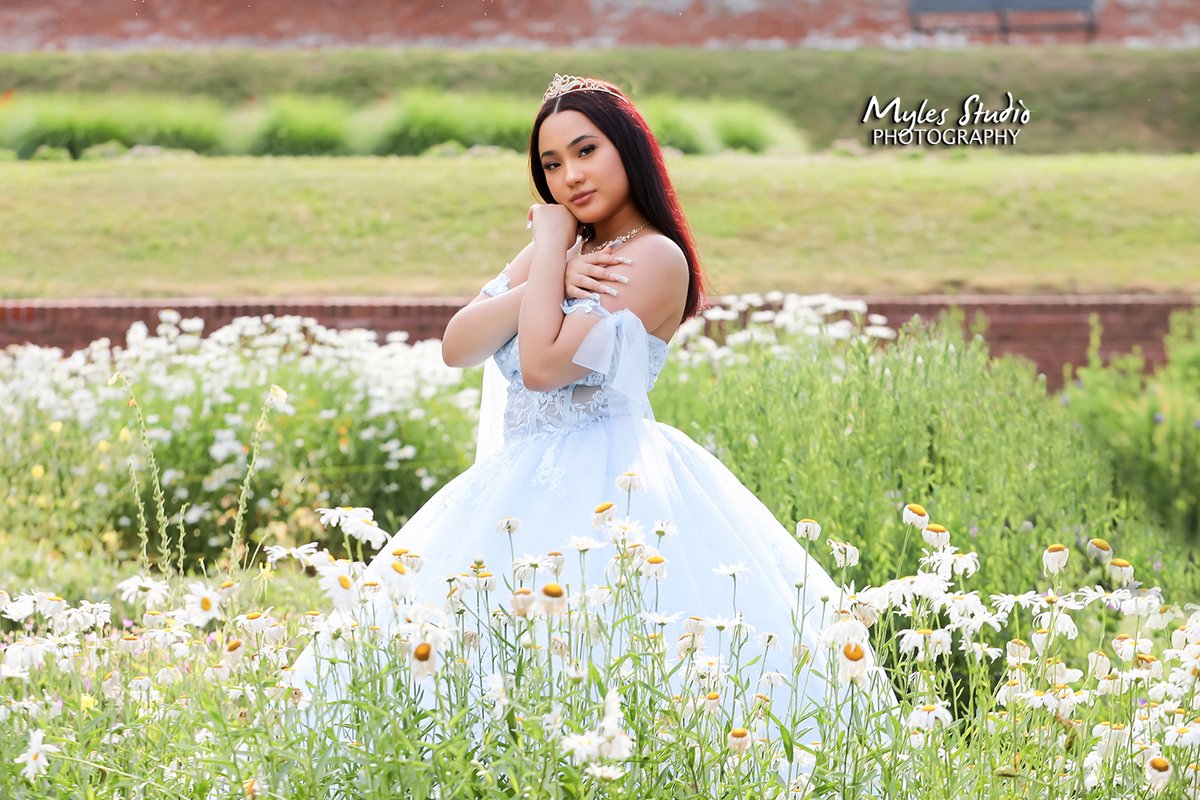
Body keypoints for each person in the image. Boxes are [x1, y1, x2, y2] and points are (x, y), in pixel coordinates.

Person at [287, 74, 892, 749]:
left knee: (603, 654)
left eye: (585, 151)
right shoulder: (570, 250)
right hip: (516, 489)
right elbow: (458, 345)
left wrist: (547, 255)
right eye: (551, 165)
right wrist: (552, 265)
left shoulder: (655, 257)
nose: (569, 176)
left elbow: (544, 367)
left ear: (628, 150)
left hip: (614, 491)